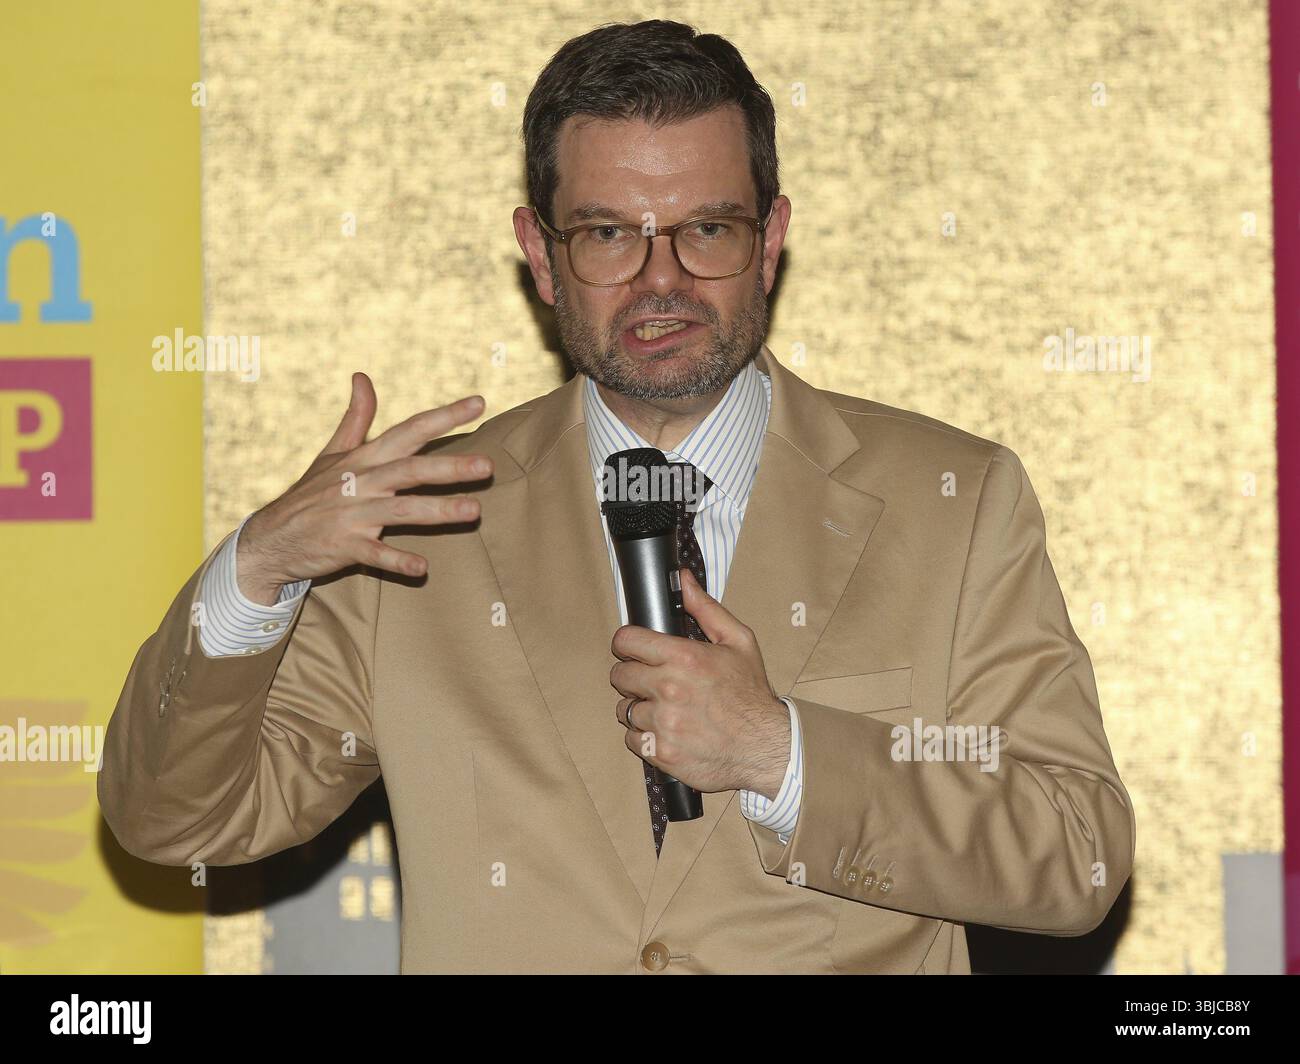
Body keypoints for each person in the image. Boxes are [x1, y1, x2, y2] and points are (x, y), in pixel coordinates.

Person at [99, 19, 1134, 974]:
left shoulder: (949, 502)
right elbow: (178, 821)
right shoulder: (420, 522)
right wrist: (257, 569)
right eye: (606, 235)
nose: (660, 278)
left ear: (770, 239)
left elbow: (1076, 854)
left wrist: (784, 752)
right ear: (540, 257)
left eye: (708, 230)